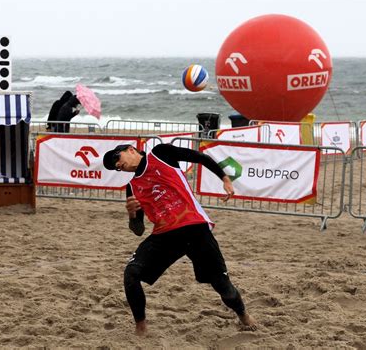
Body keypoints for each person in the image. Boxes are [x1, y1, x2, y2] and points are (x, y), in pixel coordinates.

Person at [103, 143, 257, 336]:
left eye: (117, 159)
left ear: (131, 149)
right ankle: (140, 327)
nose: (119, 165)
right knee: (131, 274)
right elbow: (138, 230)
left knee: (222, 286)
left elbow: (201, 158)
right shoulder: (132, 188)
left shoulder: (160, 154)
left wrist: (225, 179)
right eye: (115, 167)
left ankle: (242, 314)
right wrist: (132, 215)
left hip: (194, 227)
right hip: (164, 235)